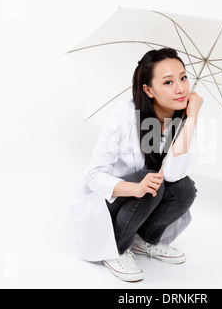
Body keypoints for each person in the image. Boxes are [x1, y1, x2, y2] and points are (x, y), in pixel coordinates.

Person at [70, 48, 203, 282]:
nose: (181, 88)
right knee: (151, 181)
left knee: (184, 189)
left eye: (183, 77)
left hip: (145, 197)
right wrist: (133, 188)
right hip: (108, 203)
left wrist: (190, 120)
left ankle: (143, 240)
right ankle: (117, 248)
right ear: (148, 90)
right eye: (169, 82)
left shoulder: (182, 117)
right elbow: (93, 175)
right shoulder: (125, 115)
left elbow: (172, 175)